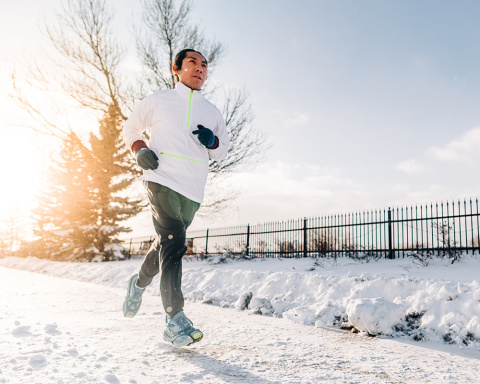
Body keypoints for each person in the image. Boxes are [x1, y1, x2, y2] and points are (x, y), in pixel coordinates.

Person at [122, 49, 229, 347]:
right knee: (174, 242)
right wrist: (140, 149)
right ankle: (174, 319)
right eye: (193, 63)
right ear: (176, 69)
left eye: (204, 65)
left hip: (193, 189)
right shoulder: (159, 100)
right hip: (161, 179)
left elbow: (223, 152)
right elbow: (130, 127)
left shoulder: (212, 111)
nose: (200, 69)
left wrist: (213, 140)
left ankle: (138, 283)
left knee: (166, 242)